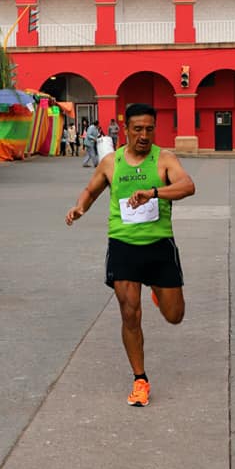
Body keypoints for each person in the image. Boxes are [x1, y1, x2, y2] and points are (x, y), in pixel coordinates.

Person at [65, 103, 195, 408]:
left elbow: (188, 185)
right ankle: (140, 379)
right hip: (123, 244)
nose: (144, 135)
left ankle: (159, 294)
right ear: (126, 130)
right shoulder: (111, 162)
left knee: (175, 315)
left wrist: (154, 192)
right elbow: (91, 190)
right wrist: (80, 207)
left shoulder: (164, 159)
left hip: (159, 244)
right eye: (138, 129)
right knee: (129, 311)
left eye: (150, 129)